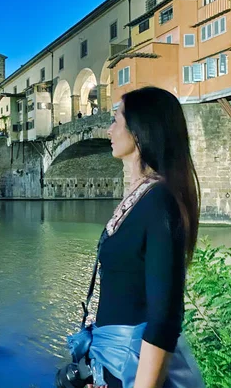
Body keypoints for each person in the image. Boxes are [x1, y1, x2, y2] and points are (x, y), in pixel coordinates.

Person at [86, 87, 201, 388]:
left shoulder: (159, 201)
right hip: (112, 365)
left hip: (134, 371)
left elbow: (165, 318)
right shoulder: (142, 198)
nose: (109, 129)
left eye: (116, 120)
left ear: (139, 130)